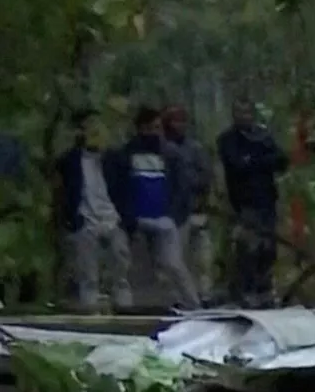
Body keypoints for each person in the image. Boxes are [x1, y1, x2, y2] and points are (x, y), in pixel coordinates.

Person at [105, 106, 202, 308]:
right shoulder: (124, 155)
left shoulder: (172, 155)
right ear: (140, 129)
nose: (154, 133)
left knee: (173, 264)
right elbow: (116, 188)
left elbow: (182, 186)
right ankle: (126, 305)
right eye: (149, 128)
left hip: (164, 219)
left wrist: (174, 215)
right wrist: (127, 215)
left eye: (157, 128)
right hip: (135, 219)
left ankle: (193, 305)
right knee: (125, 262)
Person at [51, 109, 135, 312]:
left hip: (113, 219)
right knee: (87, 270)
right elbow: (62, 187)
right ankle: (90, 307)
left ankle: (124, 307)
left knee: (120, 263)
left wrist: (126, 220)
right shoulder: (71, 161)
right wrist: (71, 218)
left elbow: (125, 189)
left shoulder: (115, 159)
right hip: (85, 220)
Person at [217, 98, 290, 307]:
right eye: (239, 112)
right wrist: (260, 160)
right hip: (243, 203)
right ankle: (245, 292)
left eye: (247, 112)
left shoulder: (263, 136)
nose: (244, 117)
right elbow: (237, 164)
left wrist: (255, 159)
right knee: (248, 249)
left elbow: (281, 160)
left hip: (267, 200)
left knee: (268, 249)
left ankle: (264, 290)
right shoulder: (228, 139)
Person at [162, 105, 215, 292]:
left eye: (182, 120)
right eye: (175, 120)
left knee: (203, 261)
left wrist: (194, 187)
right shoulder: (161, 149)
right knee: (177, 261)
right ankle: (181, 298)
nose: (179, 125)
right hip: (174, 215)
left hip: (197, 211)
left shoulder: (195, 148)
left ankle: (204, 295)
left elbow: (206, 176)